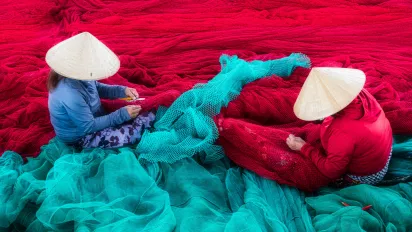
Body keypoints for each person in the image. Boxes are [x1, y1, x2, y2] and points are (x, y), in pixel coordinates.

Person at [46, 32, 155, 149]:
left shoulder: (80, 74)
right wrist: (121, 115)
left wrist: (122, 91)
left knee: (137, 112)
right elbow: (88, 126)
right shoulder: (69, 94)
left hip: (92, 118)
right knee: (132, 134)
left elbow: (97, 88)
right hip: (81, 137)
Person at [286, 67, 393, 186]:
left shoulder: (341, 131)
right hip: (384, 151)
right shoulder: (360, 94)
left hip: (369, 174)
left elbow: (332, 171)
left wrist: (303, 147)